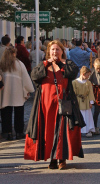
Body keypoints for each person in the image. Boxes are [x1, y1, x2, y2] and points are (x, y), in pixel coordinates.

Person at [24, 40, 85, 170]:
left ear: (62, 51)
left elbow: (73, 73)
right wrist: (47, 63)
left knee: (62, 132)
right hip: (46, 106)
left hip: (63, 104)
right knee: (49, 132)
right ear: (48, 52)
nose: (55, 52)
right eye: (52, 49)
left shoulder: (67, 64)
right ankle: (52, 158)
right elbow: (34, 76)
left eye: (57, 49)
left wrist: (62, 62)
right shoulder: (44, 65)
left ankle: (61, 158)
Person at [0, 47, 34, 140]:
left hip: (5, 91)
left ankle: (7, 132)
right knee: (19, 112)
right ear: (14, 54)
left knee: (6, 112)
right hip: (18, 90)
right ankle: (19, 132)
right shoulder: (19, 64)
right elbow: (25, 77)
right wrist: (28, 90)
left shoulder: (2, 64)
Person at [72, 66, 95, 137]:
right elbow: (73, 93)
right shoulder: (74, 82)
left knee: (88, 116)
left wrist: (91, 102)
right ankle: (79, 130)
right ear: (83, 74)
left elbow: (90, 92)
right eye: (88, 75)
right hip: (78, 101)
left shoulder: (88, 82)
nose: (88, 76)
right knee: (79, 115)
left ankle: (88, 130)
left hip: (86, 100)